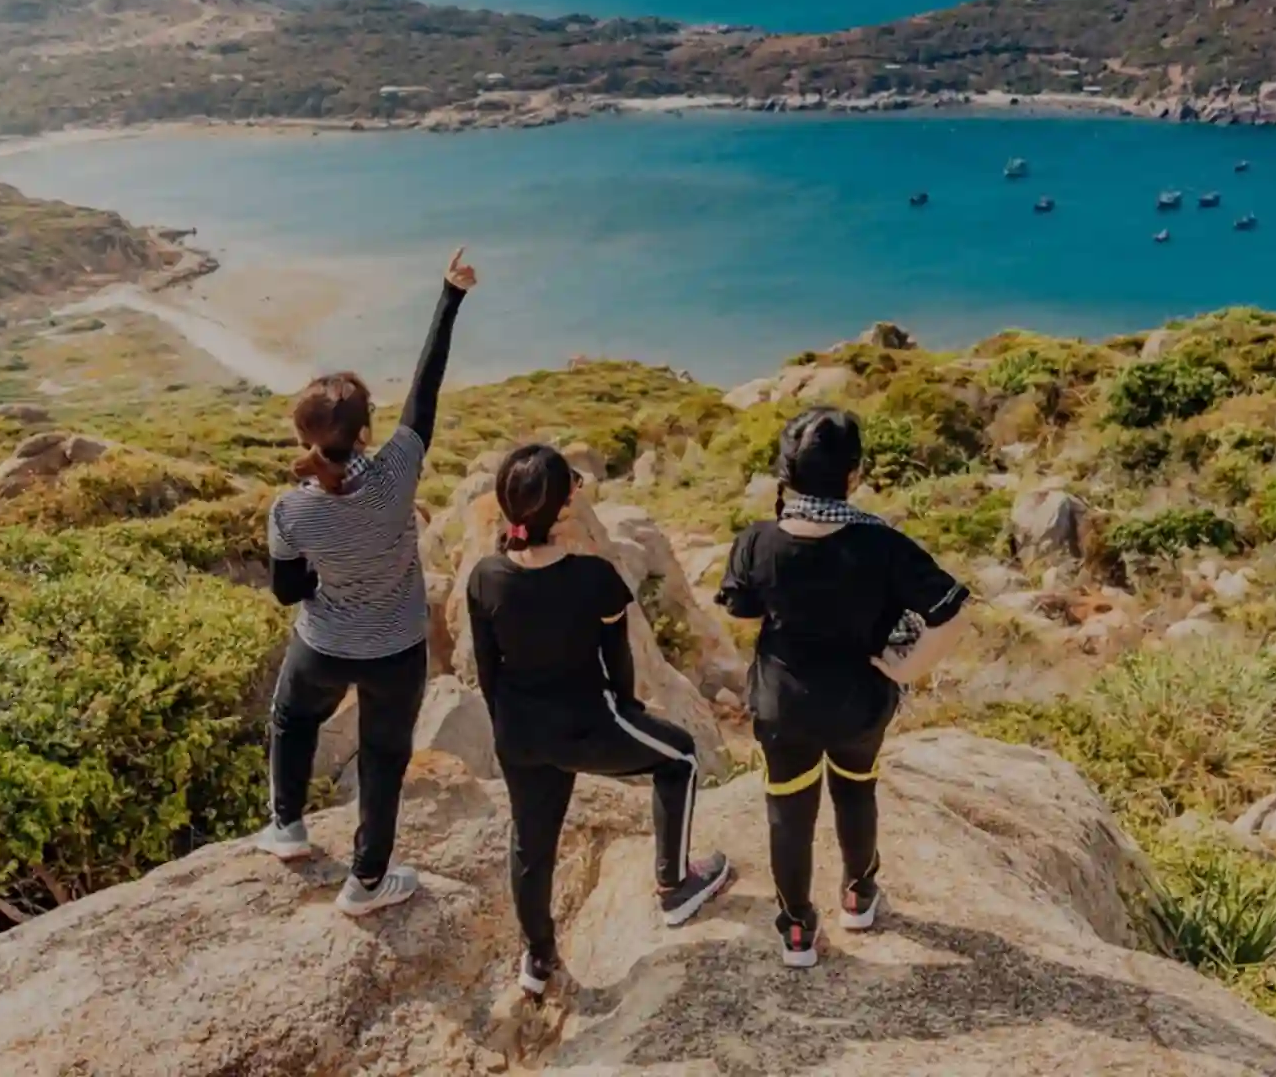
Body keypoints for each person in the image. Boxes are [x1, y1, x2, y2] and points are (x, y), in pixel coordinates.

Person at [251, 247, 478, 918]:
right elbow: (425, 392)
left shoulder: (290, 510)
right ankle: (368, 881)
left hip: (323, 644)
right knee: (383, 758)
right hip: (397, 650)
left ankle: (287, 827)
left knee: (293, 719)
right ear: (367, 431)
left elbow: (288, 592)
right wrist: (450, 295)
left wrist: (330, 578)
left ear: (303, 436)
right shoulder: (398, 472)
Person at [467, 445, 732, 996]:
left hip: (519, 733)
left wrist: (508, 728)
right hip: (587, 725)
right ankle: (676, 885)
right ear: (563, 507)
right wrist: (628, 710)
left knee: (531, 844)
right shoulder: (594, 577)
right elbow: (618, 659)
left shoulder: (485, 577)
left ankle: (538, 958)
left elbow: (488, 669)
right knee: (681, 756)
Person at [716, 407, 970, 968]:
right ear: (854, 474)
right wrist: (905, 668)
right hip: (860, 702)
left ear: (785, 473)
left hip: (783, 705)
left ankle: (797, 929)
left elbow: (742, 609)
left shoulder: (756, 541)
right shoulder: (884, 545)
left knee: (788, 811)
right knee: (856, 790)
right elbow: (951, 612)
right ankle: (858, 894)